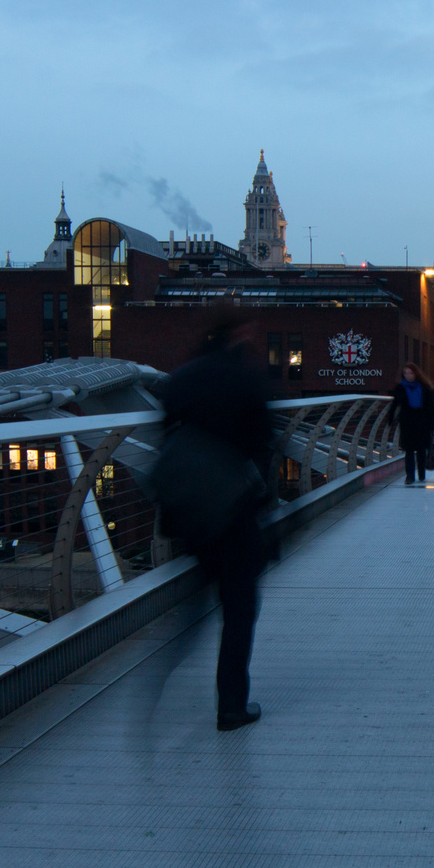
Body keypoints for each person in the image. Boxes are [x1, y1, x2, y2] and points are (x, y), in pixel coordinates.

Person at [156, 308, 277, 731]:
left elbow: (166, 436)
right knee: (240, 609)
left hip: (191, 510)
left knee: (195, 605)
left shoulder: (182, 377)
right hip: (233, 509)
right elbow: (263, 447)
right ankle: (231, 705)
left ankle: (158, 677)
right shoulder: (245, 378)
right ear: (239, 335)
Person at [390, 363, 434, 486]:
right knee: (409, 451)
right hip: (407, 424)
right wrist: (390, 419)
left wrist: (432, 423)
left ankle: (422, 473)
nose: (408, 376)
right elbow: (395, 404)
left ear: (416, 373)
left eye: (410, 373)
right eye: (406, 373)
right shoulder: (400, 388)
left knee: (421, 450)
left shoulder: (424, 387)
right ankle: (410, 476)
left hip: (422, 423)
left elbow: (431, 406)